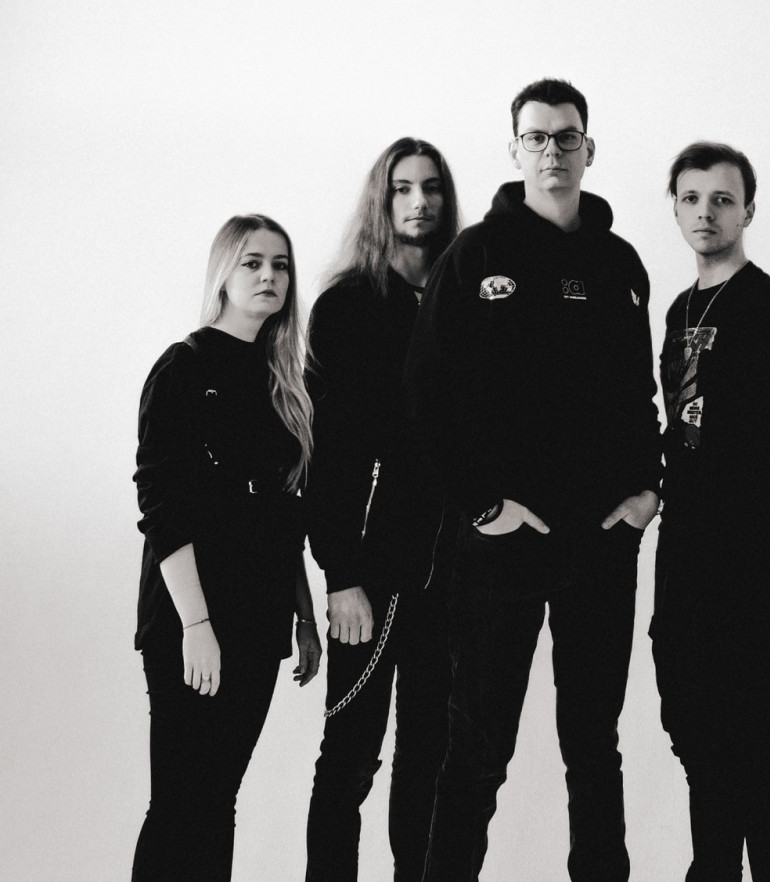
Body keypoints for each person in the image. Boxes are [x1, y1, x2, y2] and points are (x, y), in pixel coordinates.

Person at [406, 78, 662, 882]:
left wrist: (647, 492)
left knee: (593, 747)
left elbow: (639, 395)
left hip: (601, 543)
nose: (552, 150)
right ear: (514, 149)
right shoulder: (473, 257)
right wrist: (483, 506)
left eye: (566, 136)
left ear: (589, 149)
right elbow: (424, 399)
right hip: (499, 546)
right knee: (476, 747)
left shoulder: (619, 263)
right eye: (537, 137)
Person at [651, 142, 770, 881]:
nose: (706, 212)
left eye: (722, 199)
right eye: (691, 198)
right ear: (674, 208)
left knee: (746, 747)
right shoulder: (678, 309)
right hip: (681, 558)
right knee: (694, 738)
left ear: (748, 211)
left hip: (745, 560)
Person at [132, 214, 322, 881]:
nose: (270, 276)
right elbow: (161, 508)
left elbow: (284, 514)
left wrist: (303, 616)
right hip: (191, 622)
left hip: (259, 621)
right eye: (253, 262)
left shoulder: (283, 383)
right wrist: (196, 626)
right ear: (223, 273)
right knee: (178, 804)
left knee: (218, 801)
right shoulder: (183, 367)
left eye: (281, 265)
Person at [303, 137, 461, 882]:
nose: (419, 202)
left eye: (431, 187)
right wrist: (339, 574)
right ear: (382, 199)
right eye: (402, 188)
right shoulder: (347, 305)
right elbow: (328, 455)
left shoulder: (466, 299)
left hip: (454, 572)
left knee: (430, 756)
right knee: (350, 756)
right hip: (371, 571)